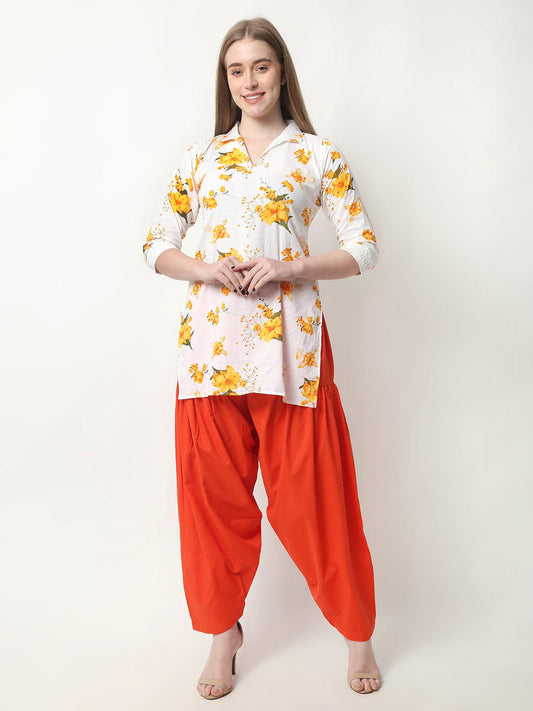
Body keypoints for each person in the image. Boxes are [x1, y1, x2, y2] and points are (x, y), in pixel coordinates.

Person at [142, 16, 382, 700]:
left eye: (261, 66)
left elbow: (363, 247)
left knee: (317, 501)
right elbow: (155, 243)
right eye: (236, 70)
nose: (249, 81)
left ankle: (357, 633)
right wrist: (205, 269)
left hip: (292, 352)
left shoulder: (316, 155)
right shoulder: (201, 158)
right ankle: (223, 635)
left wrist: (291, 266)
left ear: (282, 72)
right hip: (209, 355)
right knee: (212, 504)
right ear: (226, 80)